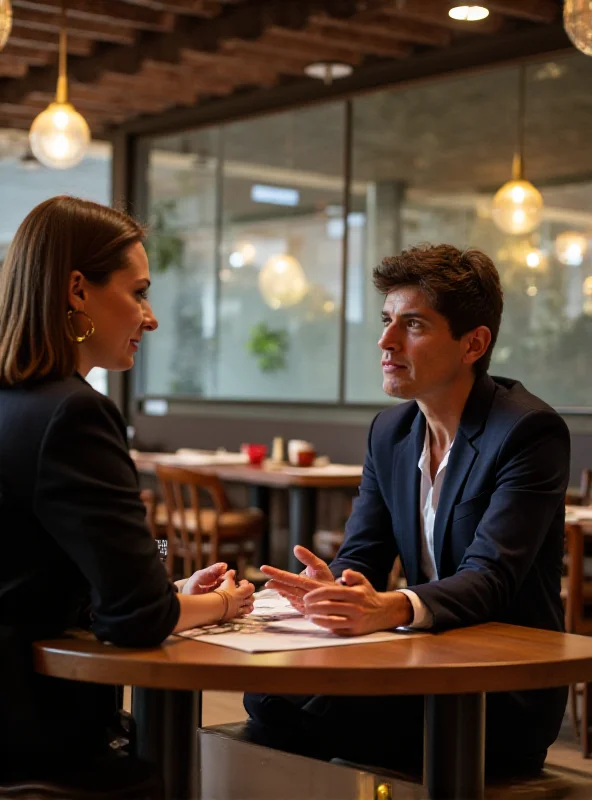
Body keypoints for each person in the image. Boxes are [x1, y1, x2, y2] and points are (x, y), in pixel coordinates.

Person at [244, 243, 570, 779]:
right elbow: (363, 555)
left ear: (474, 344)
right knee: (269, 697)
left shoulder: (527, 432)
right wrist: (338, 586)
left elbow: (490, 579)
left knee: (285, 710)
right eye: (387, 320)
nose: (385, 341)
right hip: (420, 663)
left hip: (501, 690)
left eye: (412, 325)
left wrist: (388, 607)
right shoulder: (390, 432)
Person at [0, 196, 254, 765]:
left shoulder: (12, 404)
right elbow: (137, 619)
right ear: (77, 290)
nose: (151, 316)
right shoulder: (74, 413)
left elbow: (33, 580)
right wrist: (225, 605)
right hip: (41, 732)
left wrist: (166, 595)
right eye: (138, 292)